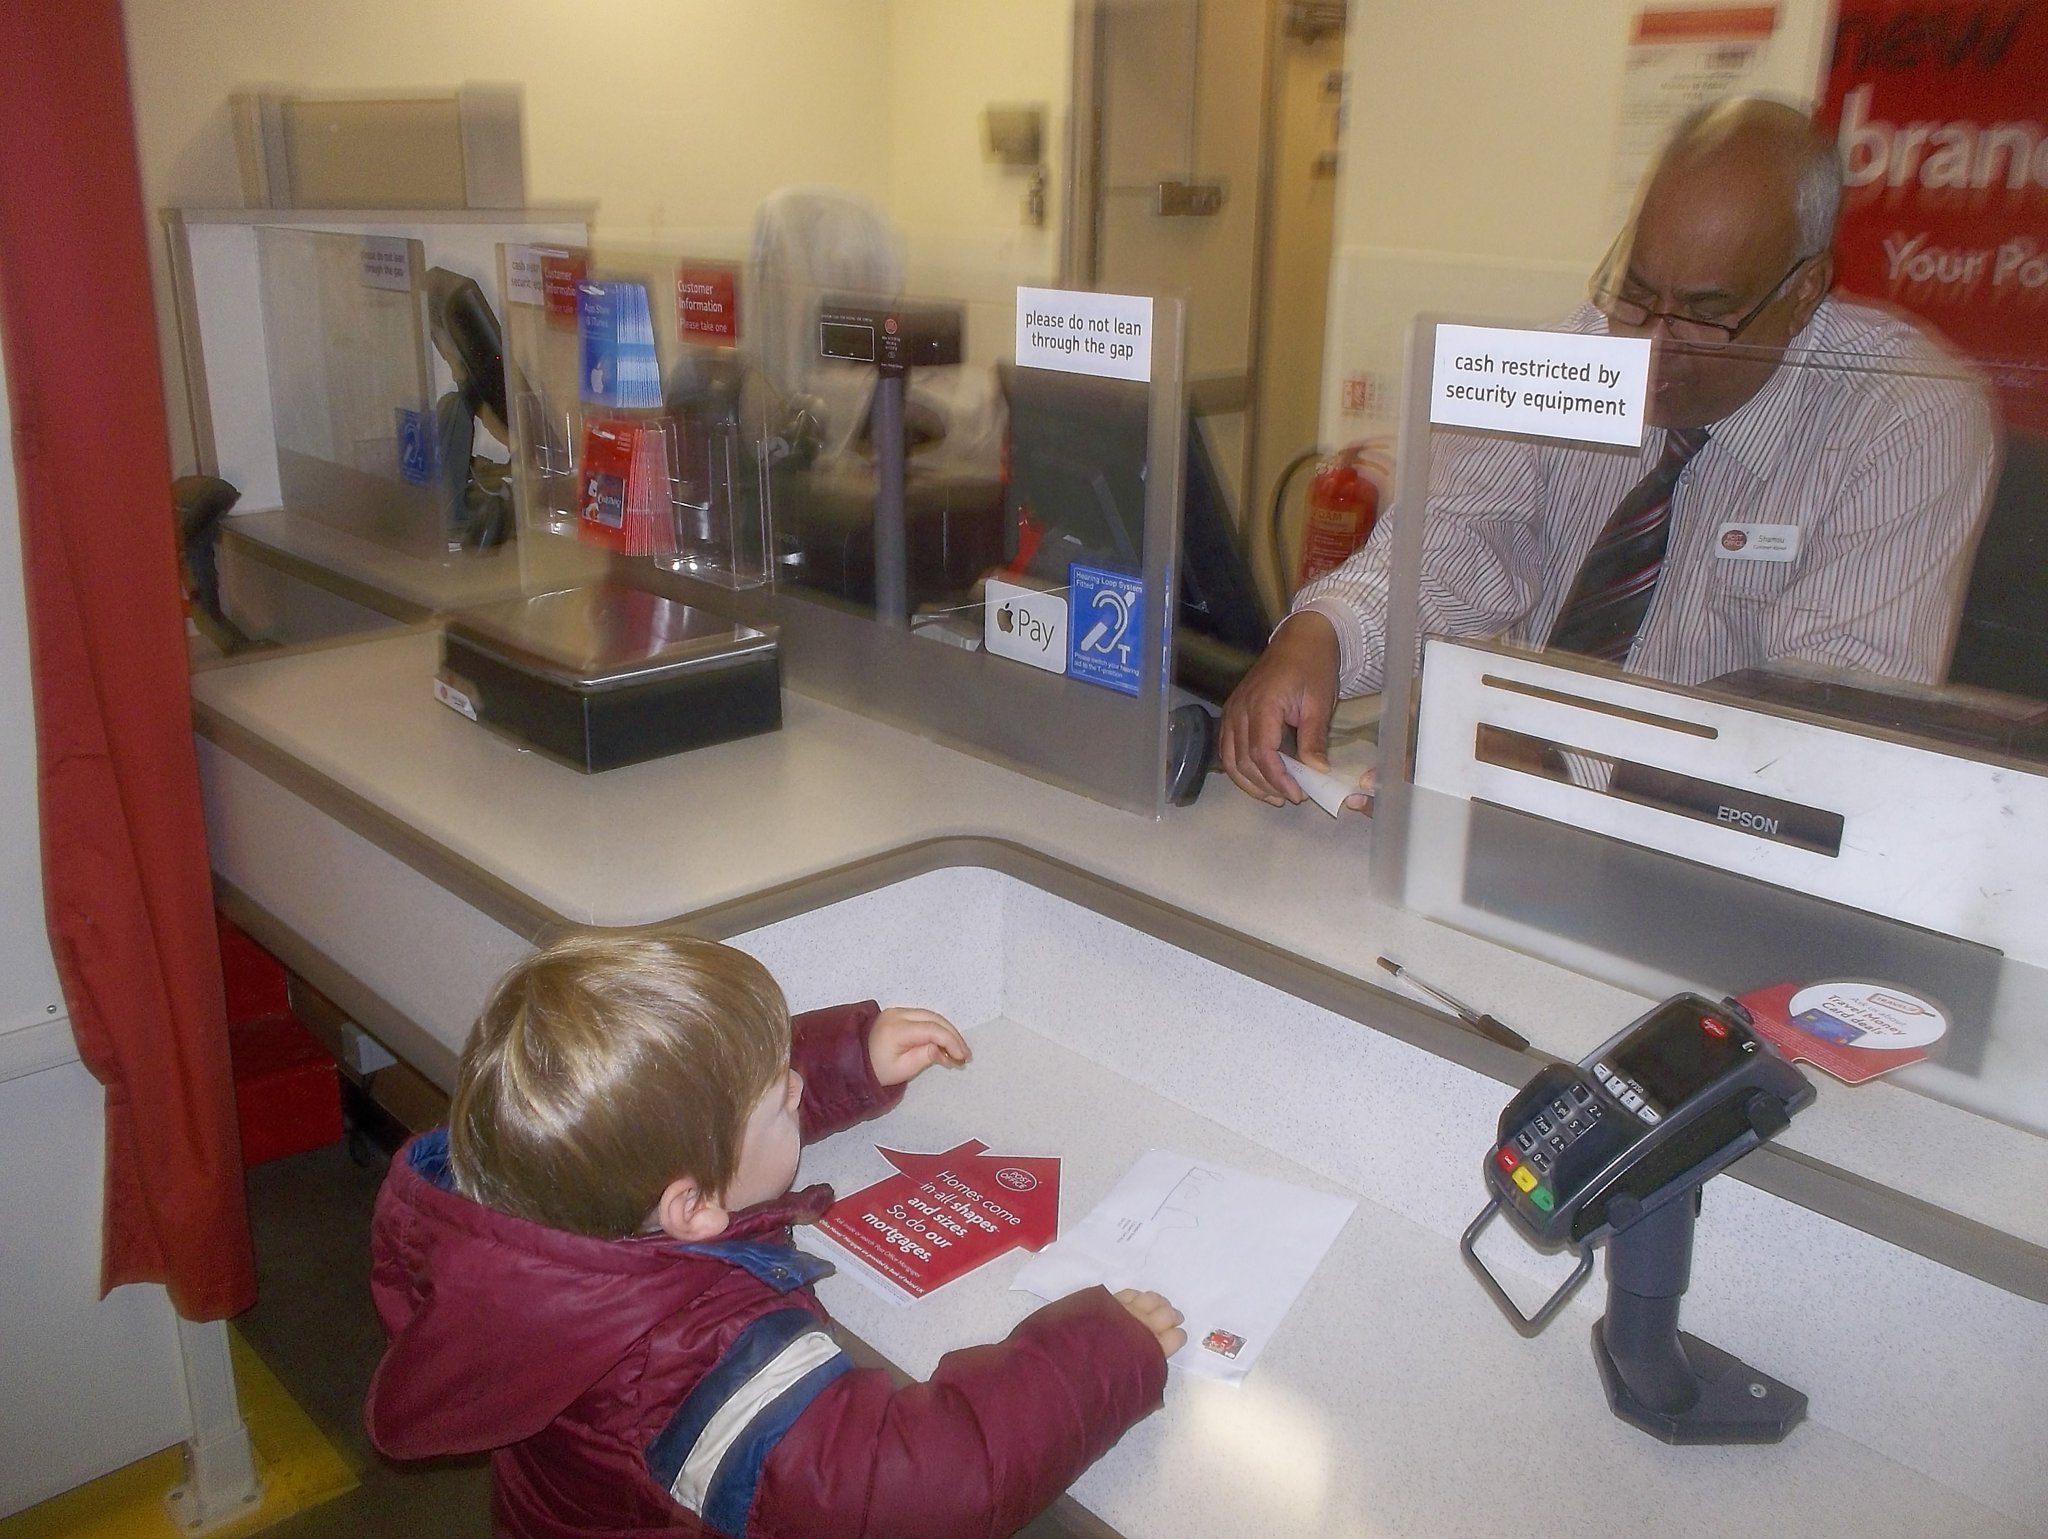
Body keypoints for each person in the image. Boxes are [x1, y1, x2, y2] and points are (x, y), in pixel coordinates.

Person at [1222, 97, 1998, 809]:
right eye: (1635, 290)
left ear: (1804, 294)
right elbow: (1456, 543)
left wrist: (1562, 770)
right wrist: (1323, 631)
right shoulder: (1574, 357)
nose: (1653, 345)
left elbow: (1819, 734)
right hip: (1494, 824)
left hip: (1705, 876)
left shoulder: (1906, 420)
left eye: (1705, 313)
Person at [364, 931, 1184, 1539]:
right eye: (780, 1092)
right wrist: (1099, 1355)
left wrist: (845, 1062)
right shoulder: (686, 1366)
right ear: (690, 1209)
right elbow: (924, 1486)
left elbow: (698, 1122)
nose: (794, 1078)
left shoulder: (535, 1202)